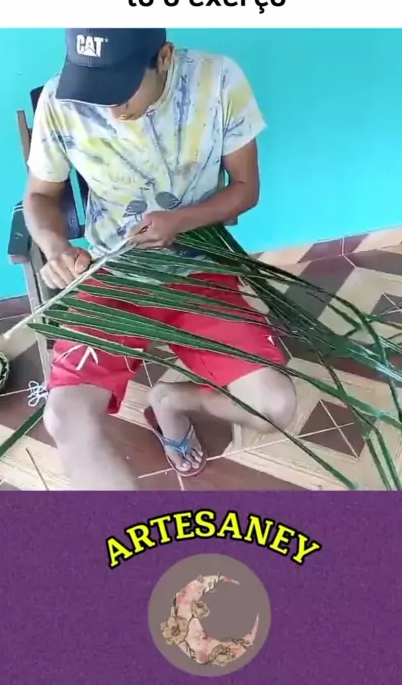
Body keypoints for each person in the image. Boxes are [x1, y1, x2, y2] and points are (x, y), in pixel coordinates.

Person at [24, 28, 297, 490]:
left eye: (121, 91)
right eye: (95, 92)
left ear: (165, 57)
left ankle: (170, 400)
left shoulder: (218, 79)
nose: (110, 110)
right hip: (110, 272)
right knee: (65, 418)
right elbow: (38, 196)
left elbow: (245, 189)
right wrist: (56, 247)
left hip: (198, 267)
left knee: (277, 407)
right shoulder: (60, 100)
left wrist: (181, 221)